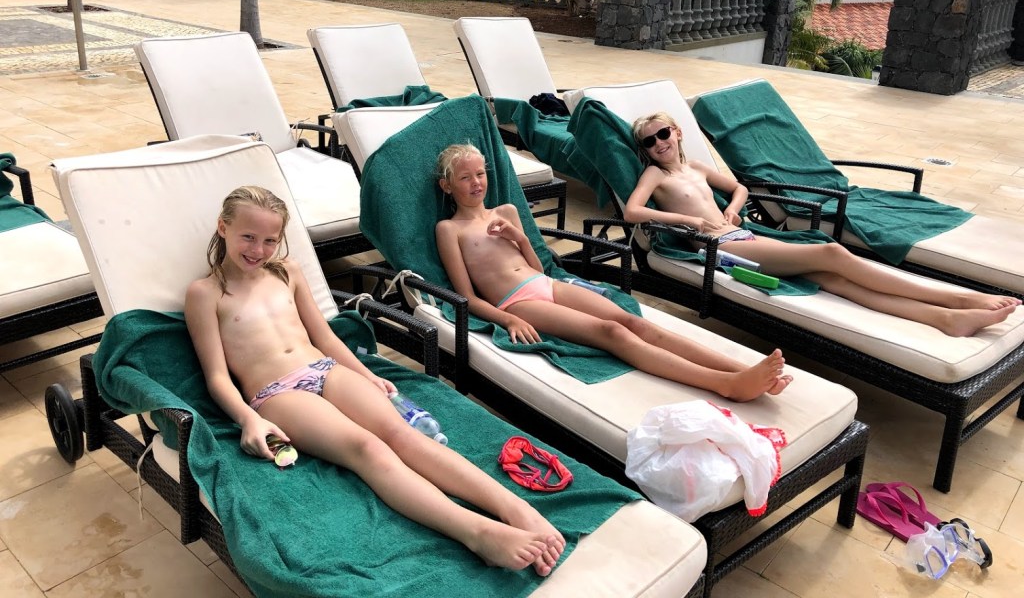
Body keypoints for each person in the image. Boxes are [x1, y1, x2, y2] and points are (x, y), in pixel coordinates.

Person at [185, 186, 564, 576]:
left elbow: (326, 337)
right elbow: (217, 376)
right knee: (367, 448)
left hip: (325, 369)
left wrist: (367, 375)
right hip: (278, 393)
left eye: (270, 240)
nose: (258, 250)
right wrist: (249, 419)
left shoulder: (287, 272)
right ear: (223, 227)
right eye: (248, 237)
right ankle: (477, 533)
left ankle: (515, 508)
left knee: (402, 435)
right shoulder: (205, 293)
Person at [434, 145, 792, 401]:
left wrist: (521, 238)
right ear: (447, 186)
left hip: (546, 283)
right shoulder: (450, 229)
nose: (476, 182)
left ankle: (741, 370)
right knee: (612, 332)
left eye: (480, 173)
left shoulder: (508, 212)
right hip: (517, 302)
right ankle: (723, 384)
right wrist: (508, 319)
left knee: (633, 322)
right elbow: (467, 295)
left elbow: (538, 268)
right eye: (465, 177)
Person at [625, 112, 1021, 338]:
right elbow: (632, 212)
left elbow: (739, 187)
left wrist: (734, 209)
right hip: (719, 249)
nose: (659, 143)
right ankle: (955, 299)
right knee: (832, 252)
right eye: (648, 141)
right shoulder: (656, 175)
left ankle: (945, 319)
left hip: (738, 233)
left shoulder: (696, 166)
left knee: (837, 281)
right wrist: (690, 220)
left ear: (677, 132)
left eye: (663, 134)